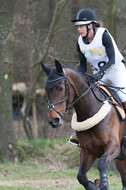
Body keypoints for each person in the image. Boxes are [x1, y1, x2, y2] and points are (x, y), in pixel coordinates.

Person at [71, 8, 126, 112]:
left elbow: (112, 60)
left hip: (115, 70)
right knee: (91, 99)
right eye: (78, 27)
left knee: (123, 98)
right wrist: (80, 79)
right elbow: (82, 65)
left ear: (90, 25)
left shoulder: (104, 35)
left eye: (81, 26)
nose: (78, 29)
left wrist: (100, 74)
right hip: (98, 74)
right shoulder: (80, 42)